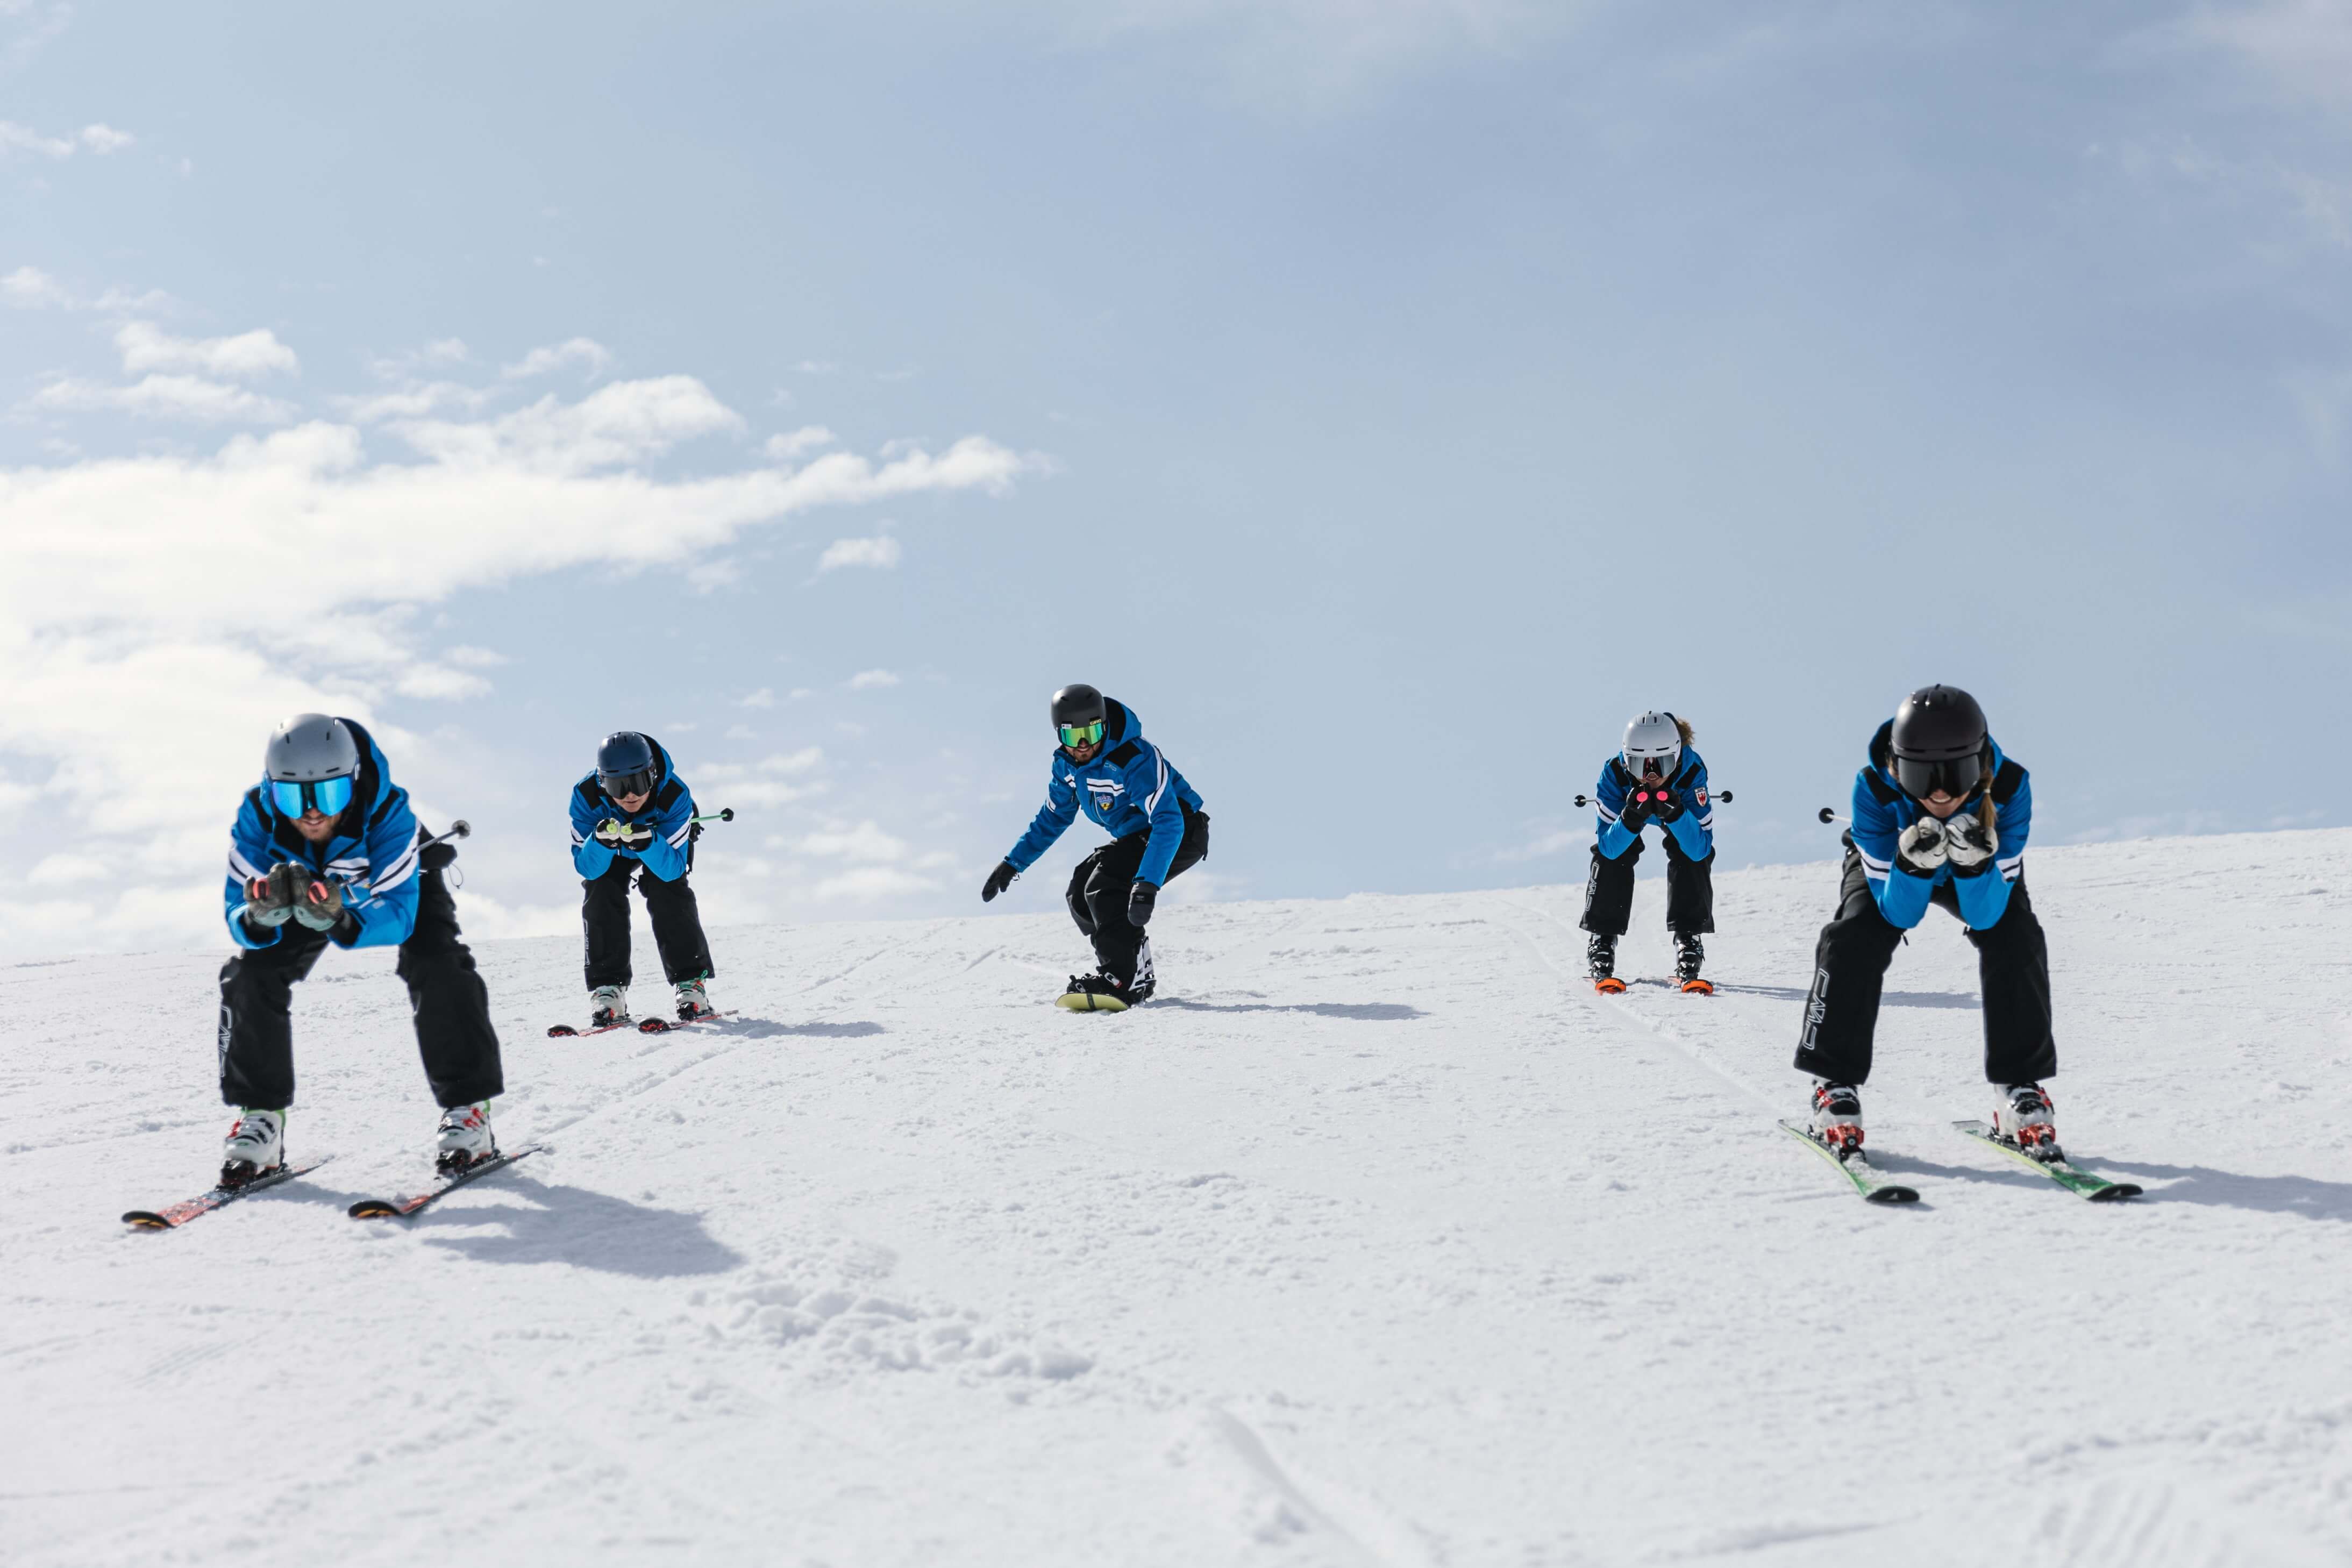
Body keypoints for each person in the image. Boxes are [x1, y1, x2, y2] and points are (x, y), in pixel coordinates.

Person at [217, 714, 503, 1185]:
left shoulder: (389, 811)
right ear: (272, 790)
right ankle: (262, 1118)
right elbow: (237, 909)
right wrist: (257, 918)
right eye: (294, 796)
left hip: (394, 891)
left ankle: (468, 1111)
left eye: (328, 795)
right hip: (305, 891)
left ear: (352, 782)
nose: (312, 813)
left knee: (437, 962)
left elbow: (399, 916)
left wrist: (342, 918)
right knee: (250, 974)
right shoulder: (257, 815)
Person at [1795, 685, 2057, 1158]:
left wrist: (1975, 865)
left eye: (1955, 775)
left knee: (2017, 936)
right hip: (1896, 870)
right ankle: (1832, 1082)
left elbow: (1988, 914)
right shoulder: (1873, 788)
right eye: (1921, 777)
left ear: (1980, 766)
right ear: (1898, 767)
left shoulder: (2012, 786)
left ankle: (2018, 1086)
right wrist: (1913, 867)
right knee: (1852, 937)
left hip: (1979, 867)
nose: (1939, 792)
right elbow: (1896, 912)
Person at [980, 684, 1209, 1010]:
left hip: (1182, 830)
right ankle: (1132, 967)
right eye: (1075, 737)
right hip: (1139, 836)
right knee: (1080, 892)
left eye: (1093, 732)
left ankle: (1122, 979)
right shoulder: (1067, 767)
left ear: (1105, 725)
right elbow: (1053, 818)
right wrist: (1013, 863)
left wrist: (1147, 885)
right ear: (1060, 735)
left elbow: (1168, 820)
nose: (1085, 745)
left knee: (1105, 885)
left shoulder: (1133, 757)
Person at [568, 730, 715, 1029]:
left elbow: (673, 870)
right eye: (617, 787)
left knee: (667, 888)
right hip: (611, 848)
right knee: (601, 887)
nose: (629, 796)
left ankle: (691, 984)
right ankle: (608, 989)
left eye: (637, 783)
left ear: (653, 774)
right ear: (601, 783)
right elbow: (587, 868)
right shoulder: (585, 796)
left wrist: (650, 843)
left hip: (658, 842)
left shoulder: (674, 794)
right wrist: (598, 841)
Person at [1580, 711, 1717, 993]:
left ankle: (1688, 937)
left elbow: (1699, 848)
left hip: (1678, 801)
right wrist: (1630, 818)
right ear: (1625, 757)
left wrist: (1678, 814)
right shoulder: (1615, 773)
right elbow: (1609, 847)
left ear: (1678, 756)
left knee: (1690, 854)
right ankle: (1603, 938)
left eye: (1663, 764)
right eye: (1640, 765)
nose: (1651, 776)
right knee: (1614, 855)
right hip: (1628, 802)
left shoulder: (1691, 771)